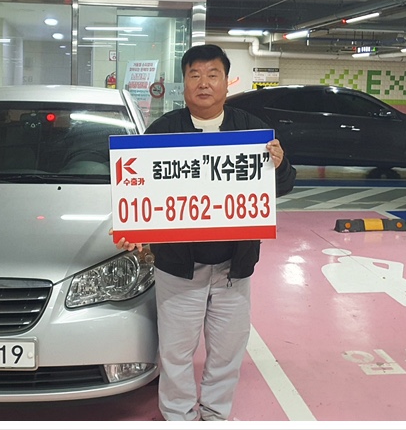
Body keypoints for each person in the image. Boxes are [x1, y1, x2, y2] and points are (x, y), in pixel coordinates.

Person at [112, 44, 296, 421]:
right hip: (178, 266)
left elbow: (283, 185)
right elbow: (137, 191)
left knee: (227, 350)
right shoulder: (162, 131)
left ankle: (215, 414)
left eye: (213, 75)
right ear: (184, 84)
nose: (204, 83)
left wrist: (278, 165)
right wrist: (134, 229)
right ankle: (178, 416)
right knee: (176, 351)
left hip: (234, 267)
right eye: (194, 75)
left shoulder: (251, 131)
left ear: (227, 83)